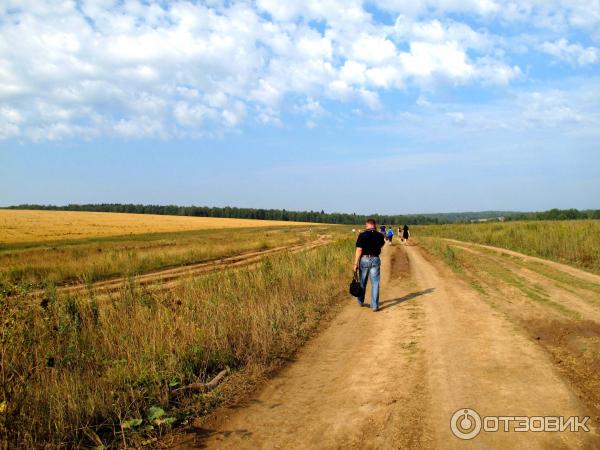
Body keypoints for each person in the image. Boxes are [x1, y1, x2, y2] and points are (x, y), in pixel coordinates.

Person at [353, 219, 385, 311]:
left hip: (364, 259)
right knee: (375, 283)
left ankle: (360, 301)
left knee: (363, 282)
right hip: (375, 259)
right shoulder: (379, 235)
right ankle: (374, 306)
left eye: (366, 225)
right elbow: (381, 245)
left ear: (369, 225)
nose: (365, 226)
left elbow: (359, 250)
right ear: (374, 226)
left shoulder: (362, 235)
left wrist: (355, 263)